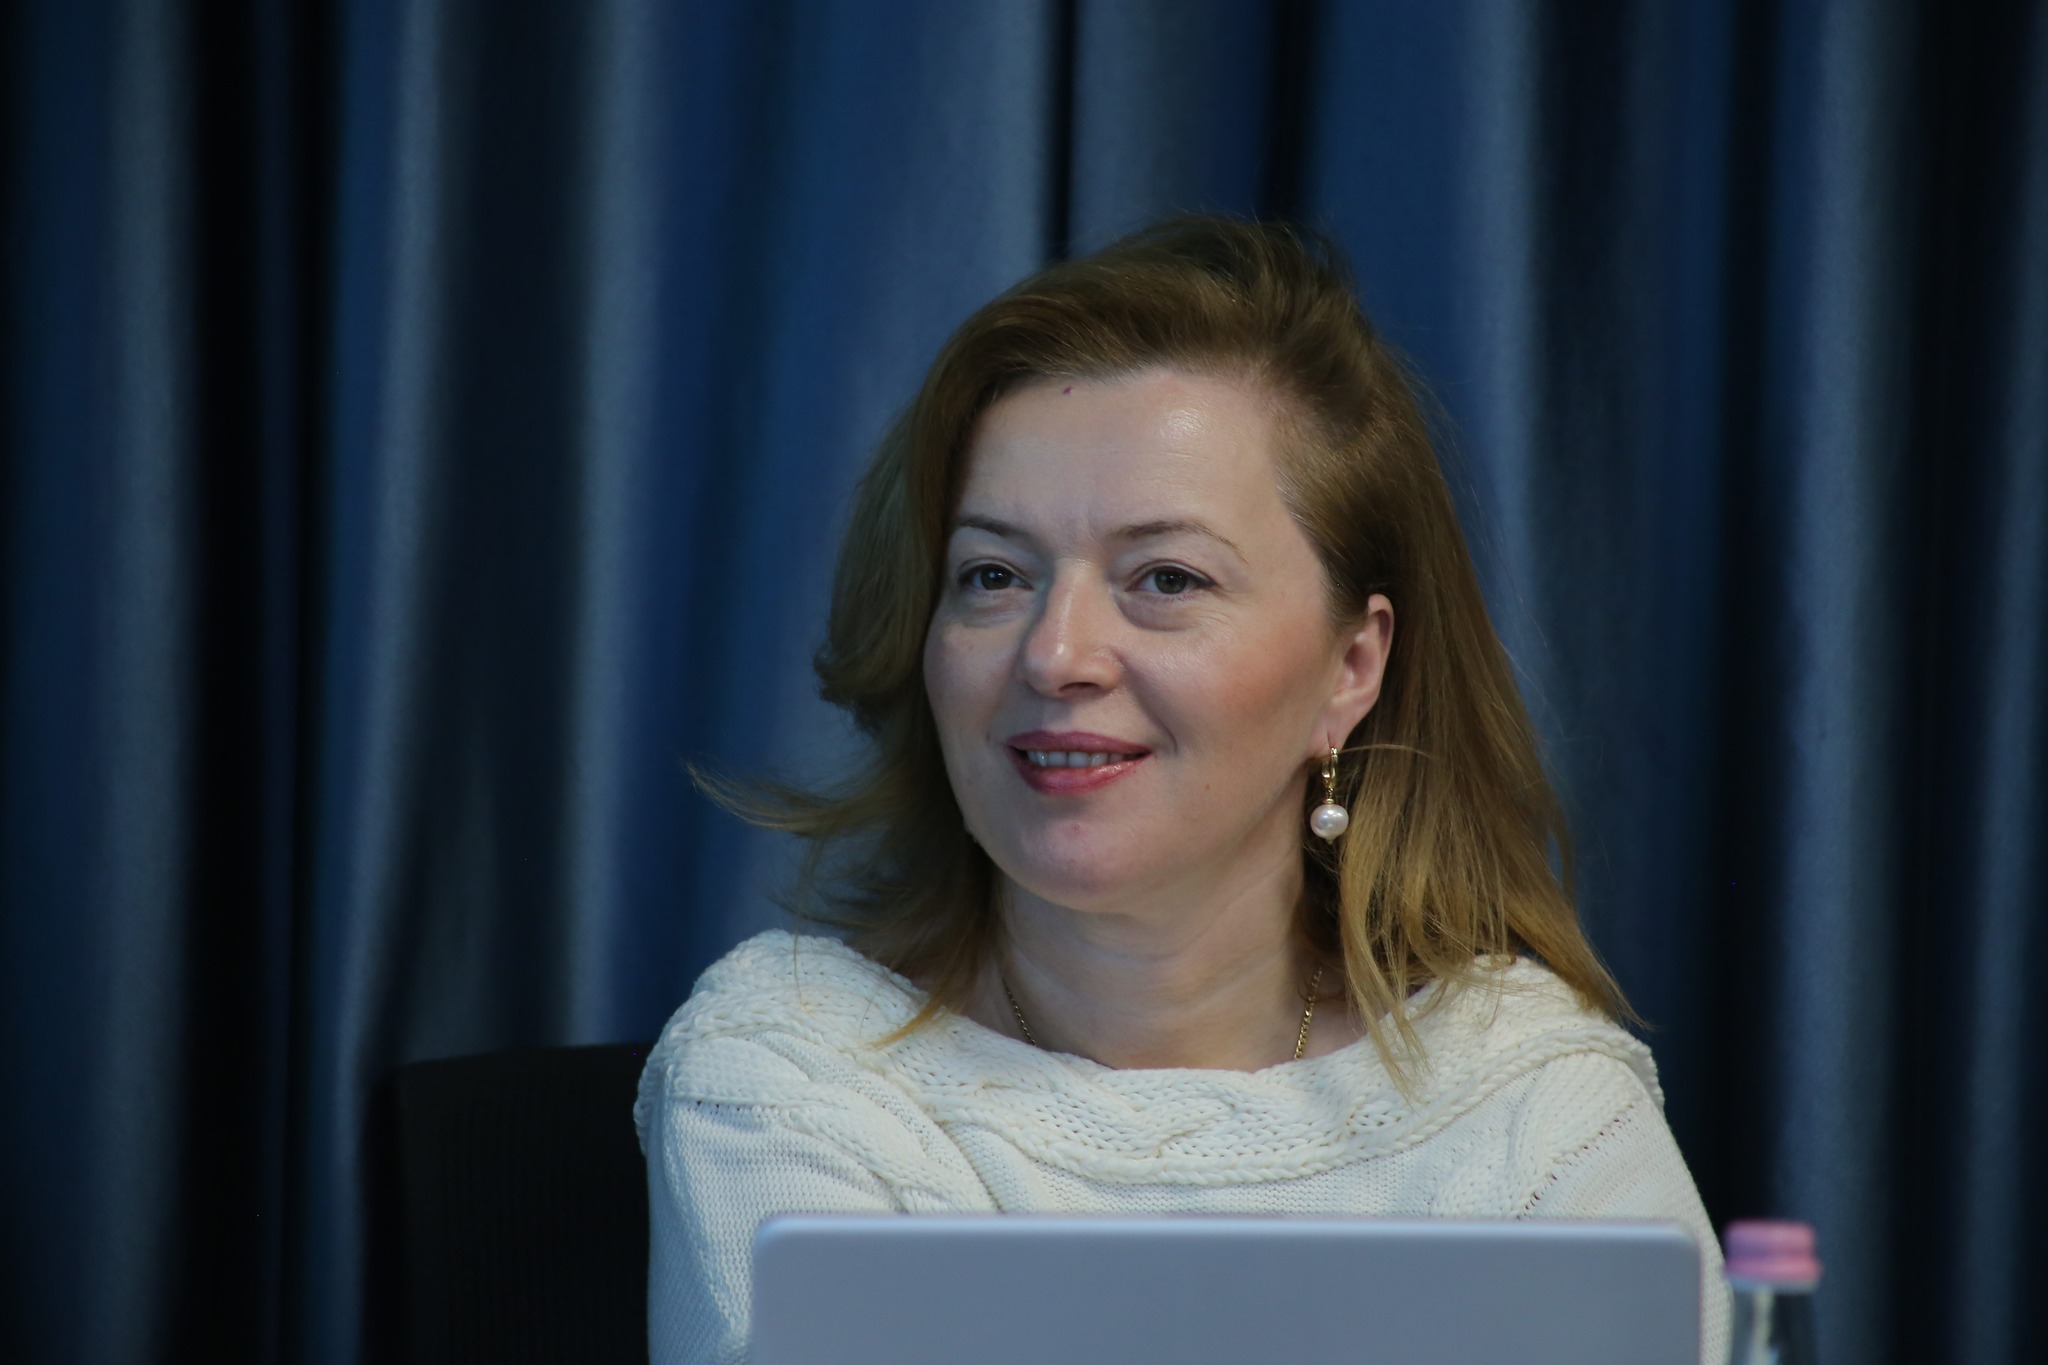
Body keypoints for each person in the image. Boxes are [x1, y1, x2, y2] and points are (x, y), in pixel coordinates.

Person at [635, 216, 1728, 1365]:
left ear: (1350, 668)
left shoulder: (1529, 1100)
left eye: (1165, 579)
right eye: (993, 575)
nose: (1055, 654)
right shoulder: (789, 1072)